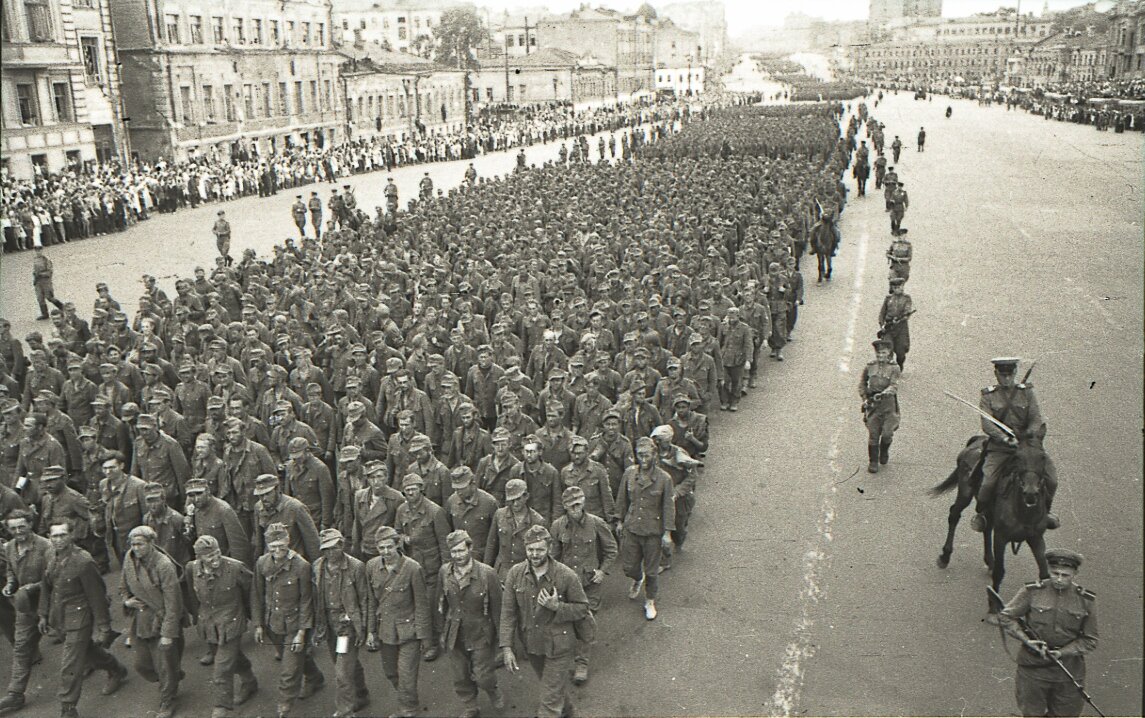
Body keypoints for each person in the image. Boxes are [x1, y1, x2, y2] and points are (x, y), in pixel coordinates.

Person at [38, 518, 129, 718]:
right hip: (60, 616)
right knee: (86, 651)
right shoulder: (49, 555)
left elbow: (97, 596)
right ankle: (117, 669)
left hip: (80, 618)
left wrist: (104, 627)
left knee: (70, 664)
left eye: (63, 534)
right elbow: (46, 586)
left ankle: (68, 708)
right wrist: (43, 614)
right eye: (55, 535)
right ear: (49, 537)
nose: (59, 539)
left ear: (71, 535)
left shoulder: (83, 561)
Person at [499, 524, 589, 718]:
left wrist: (557, 607)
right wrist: (507, 647)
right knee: (553, 689)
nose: (534, 554)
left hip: (560, 645)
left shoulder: (566, 575)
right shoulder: (515, 574)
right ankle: (568, 713)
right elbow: (508, 612)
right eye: (530, 549)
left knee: (548, 703)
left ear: (549, 548)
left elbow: (582, 608)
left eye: (539, 549)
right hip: (532, 644)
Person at [999, 548, 1098, 717]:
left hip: (1068, 671)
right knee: (1031, 714)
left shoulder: (1085, 600)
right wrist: (1026, 640)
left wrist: (1062, 652)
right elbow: (1006, 617)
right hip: (1033, 668)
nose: (1059, 579)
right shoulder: (1032, 591)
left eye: (1065, 575)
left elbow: (1090, 640)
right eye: (1055, 573)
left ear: (1075, 573)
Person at [971, 358, 1059, 532]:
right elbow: (987, 425)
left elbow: (1035, 418)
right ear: (996, 374)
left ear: (1015, 373)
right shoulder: (988, 396)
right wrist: (1005, 438)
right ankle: (982, 515)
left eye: (1010, 375)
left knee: (1052, 479)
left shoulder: (1026, 393)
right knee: (988, 482)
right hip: (1001, 448)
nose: (1006, 379)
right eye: (1002, 375)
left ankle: (1046, 511)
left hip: (1027, 447)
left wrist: (1029, 434)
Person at [252, 522, 325, 718]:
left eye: (281, 546)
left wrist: (302, 632)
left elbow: (306, 601)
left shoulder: (301, 566)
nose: (277, 550)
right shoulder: (262, 563)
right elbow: (257, 595)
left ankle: (284, 706)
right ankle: (315, 677)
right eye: (273, 547)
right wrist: (258, 624)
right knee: (296, 656)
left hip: (295, 623)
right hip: (272, 623)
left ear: (288, 543)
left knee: (289, 669)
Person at [549, 486, 617, 686]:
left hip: (589, 583)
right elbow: (553, 555)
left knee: (585, 620)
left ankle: (582, 663)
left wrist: (602, 571)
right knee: (567, 620)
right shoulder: (558, 526)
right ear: (565, 507)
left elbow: (611, 549)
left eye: (578, 504)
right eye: (571, 506)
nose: (576, 509)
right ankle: (569, 652)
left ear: (584, 502)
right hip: (567, 583)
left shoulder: (596, 524)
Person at [186, 534, 259, 718]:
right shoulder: (192, 569)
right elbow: (191, 594)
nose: (215, 559)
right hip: (208, 623)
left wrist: (254, 620)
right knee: (230, 657)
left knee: (222, 667)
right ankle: (249, 681)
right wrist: (197, 618)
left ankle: (221, 706)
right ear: (200, 558)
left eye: (217, 553)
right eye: (210, 556)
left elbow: (253, 592)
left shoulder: (235, 568)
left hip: (231, 621)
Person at [119, 524, 184, 718]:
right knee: (142, 665)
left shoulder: (164, 565)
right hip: (140, 620)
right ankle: (172, 678)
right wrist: (127, 601)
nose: (135, 548)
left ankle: (168, 699)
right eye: (133, 544)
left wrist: (167, 634)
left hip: (162, 618)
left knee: (163, 664)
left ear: (151, 543)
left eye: (140, 544)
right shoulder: (129, 559)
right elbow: (123, 585)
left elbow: (174, 603)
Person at [438, 529, 504, 718]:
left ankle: (492, 690)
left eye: (461, 550)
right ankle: (470, 706)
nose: (457, 556)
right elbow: (441, 603)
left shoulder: (487, 574)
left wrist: (503, 641)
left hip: (480, 631)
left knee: (483, 675)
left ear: (470, 548)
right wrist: (441, 632)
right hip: (455, 632)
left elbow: (498, 609)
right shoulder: (444, 572)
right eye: (454, 552)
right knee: (460, 675)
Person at [365, 525, 430, 718]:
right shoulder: (372, 567)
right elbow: (371, 601)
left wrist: (424, 637)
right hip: (385, 630)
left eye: (389, 547)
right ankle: (407, 698)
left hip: (409, 630)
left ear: (397, 545)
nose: (386, 552)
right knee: (391, 672)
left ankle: (408, 709)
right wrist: (371, 631)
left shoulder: (412, 568)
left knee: (407, 674)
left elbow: (422, 605)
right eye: (381, 548)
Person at [312, 528, 370, 718]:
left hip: (346, 627)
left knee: (342, 672)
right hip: (329, 626)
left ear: (342, 546)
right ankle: (361, 693)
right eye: (325, 549)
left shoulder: (356, 567)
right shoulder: (318, 566)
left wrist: (365, 630)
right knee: (344, 662)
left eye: (334, 548)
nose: (330, 553)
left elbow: (364, 599)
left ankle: (345, 711)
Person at [614, 437, 675, 620]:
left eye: (647, 455)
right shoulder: (629, 474)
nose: (643, 459)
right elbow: (622, 499)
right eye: (640, 455)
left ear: (654, 455)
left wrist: (667, 533)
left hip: (652, 532)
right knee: (629, 567)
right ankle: (637, 578)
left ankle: (650, 600)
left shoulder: (664, 479)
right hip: (632, 527)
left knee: (652, 571)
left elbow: (668, 507)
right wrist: (619, 520)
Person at [0, 510, 50, 715]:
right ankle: (15, 694)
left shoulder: (46, 546)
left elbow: (53, 577)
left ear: (30, 524)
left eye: (22, 526)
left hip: (50, 603)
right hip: (26, 606)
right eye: (12, 528)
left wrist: (32, 587)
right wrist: (11, 584)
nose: (18, 532)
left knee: (77, 644)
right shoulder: (10, 547)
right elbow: (11, 571)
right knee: (21, 648)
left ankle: (113, 668)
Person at [859, 339, 901, 474]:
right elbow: (862, 384)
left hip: (888, 405)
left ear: (888, 353)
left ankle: (884, 451)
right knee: (873, 434)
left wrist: (883, 394)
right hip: (873, 406)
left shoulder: (894, 368)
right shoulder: (870, 367)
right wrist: (865, 397)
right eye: (878, 354)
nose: (880, 356)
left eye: (883, 353)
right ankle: (873, 461)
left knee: (888, 433)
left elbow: (894, 386)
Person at [878, 277, 913, 370]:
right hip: (889, 328)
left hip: (901, 328)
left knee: (901, 352)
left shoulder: (907, 298)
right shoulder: (888, 299)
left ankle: (900, 364)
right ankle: (890, 370)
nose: (898, 289)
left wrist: (904, 316)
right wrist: (882, 325)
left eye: (900, 286)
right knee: (888, 349)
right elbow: (882, 313)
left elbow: (907, 310)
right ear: (892, 288)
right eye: (896, 287)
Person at [32, 247, 64, 321]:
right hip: (38, 281)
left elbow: (50, 271)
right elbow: (35, 270)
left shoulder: (46, 259)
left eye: (39, 250)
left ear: (42, 250)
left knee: (49, 297)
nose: (38, 252)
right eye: (36, 251)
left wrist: (42, 274)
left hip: (46, 281)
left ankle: (62, 307)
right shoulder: (35, 259)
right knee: (40, 298)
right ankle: (44, 314)